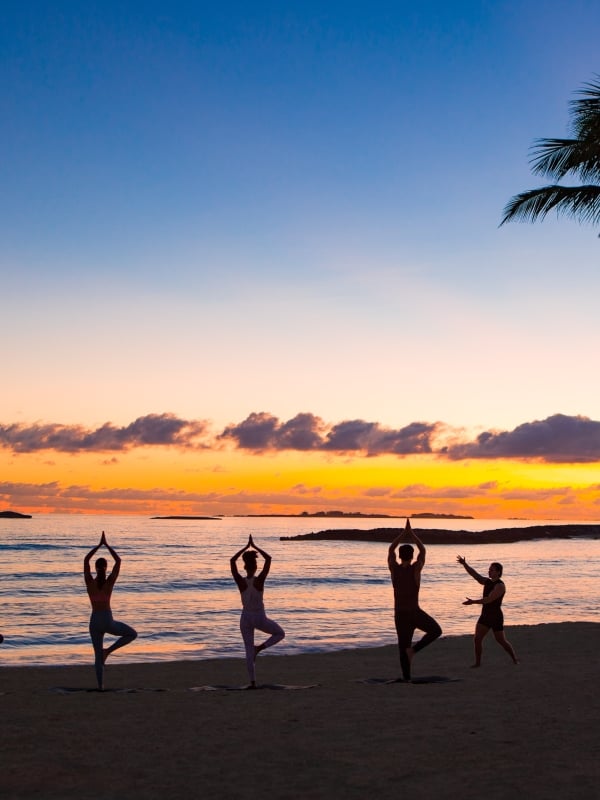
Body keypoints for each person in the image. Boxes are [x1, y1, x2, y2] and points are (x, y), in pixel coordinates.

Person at [388, 519, 442, 681]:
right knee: (436, 631)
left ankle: (406, 678)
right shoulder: (416, 569)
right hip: (414, 613)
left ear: (399, 555)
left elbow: (390, 549)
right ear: (412, 556)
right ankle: (414, 651)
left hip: (400, 615)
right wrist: (412, 534)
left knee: (402, 647)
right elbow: (423, 550)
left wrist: (402, 534)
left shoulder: (394, 569)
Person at [84, 532, 137, 690]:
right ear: (105, 568)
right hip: (107, 620)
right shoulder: (109, 582)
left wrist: (98, 546)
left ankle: (100, 686)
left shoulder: (89, 582)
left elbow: (86, 560)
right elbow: (118, 560)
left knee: (96, 657)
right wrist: (106, 545)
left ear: (95, 568)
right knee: (132, 634)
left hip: (94, 621)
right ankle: (108, 651)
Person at [230, 535, 285, 687]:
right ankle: (259, 648)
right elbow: (268, 559)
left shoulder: (241, 582)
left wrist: (245, 548)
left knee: (248, 650)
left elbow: (232, 561)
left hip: (246, 617)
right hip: (259, 618)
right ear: (255, 567)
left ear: (245, 567)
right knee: (280, 633)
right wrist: (254, 546)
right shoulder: (259, 580)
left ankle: (253, 682)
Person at [457, 556, 518, 667]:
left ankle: (514, 659)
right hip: (485, 615)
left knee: (501, 640)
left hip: (495, 616)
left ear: (498, 572)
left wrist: (473, 602)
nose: (489, 571)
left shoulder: (500, 586)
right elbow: (475, 575)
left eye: (492, 570)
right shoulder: (487, 582)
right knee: (477, 639)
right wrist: (464, 564)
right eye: (489, 569)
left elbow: (488, 599)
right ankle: (478, 663)